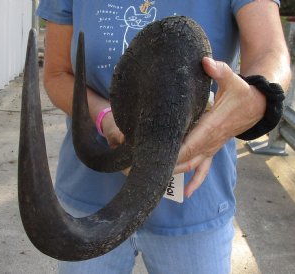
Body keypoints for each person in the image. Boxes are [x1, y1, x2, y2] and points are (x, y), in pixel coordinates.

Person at [36, 1, 291, 273]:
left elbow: (270, 52)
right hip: (90, 197)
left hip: (194, 208)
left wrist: (256, 98)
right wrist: (106, 119)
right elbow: (57, 73)